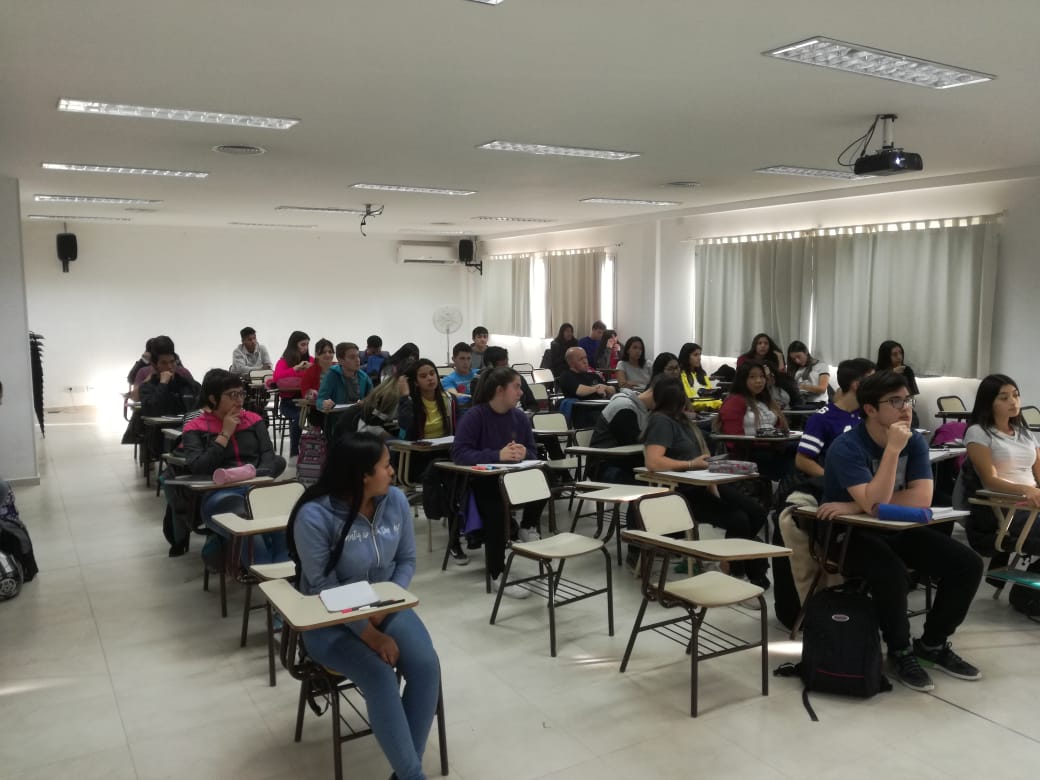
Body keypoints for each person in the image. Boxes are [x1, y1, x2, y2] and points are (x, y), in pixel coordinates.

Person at [289, 432, 440, 780]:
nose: (392, 472)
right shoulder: (314, 516)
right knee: (379, 676)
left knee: (426, 667)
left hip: (384, 608)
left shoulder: (396, 500)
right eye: (386, 466)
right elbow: (323, 585)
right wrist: (370, 635)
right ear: (362, 475)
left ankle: (405, 774)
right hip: (328, 620)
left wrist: (386, 606)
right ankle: (413, 776)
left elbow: (406, 560)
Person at [819, 371, 983, 692]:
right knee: (891, 571)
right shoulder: (847, 446)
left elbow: (920, 499)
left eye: (907, 399)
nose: (905, 408)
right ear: (869, 409)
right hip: (845, 534)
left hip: (892, 526)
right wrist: (892, 452)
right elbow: (878, 503)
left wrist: (860, 503)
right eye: (895, 402)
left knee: (967, 564)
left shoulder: (916, 441)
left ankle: (933, 644)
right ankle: (900, 650)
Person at [643, 378, 770, 589]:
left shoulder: (683, 421)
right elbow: (653, 462)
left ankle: (731, 564)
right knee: (739, 520)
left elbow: (701, 456)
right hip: (681, 492)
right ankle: (737, 571)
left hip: (705, 483)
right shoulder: (660, 421)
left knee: (756, 511)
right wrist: (691, 464)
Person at [452, 367, 545, 598]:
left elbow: (533, 452)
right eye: (517, 387)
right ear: (500, 390)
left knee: (547, 475)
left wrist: (525, 453)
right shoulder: (475, 416)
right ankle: (497, 573)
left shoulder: (520, 417)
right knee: (495, 511)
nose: (521, 393)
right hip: (483, 481)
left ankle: (527, 526)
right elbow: (459, 454)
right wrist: (497, 455)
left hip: (514, 478)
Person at [181, 370, 287, 566]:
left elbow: (268, 456)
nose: (239, 400)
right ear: (213, 398)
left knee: (284, 531)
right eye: (232, 395)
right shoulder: (195, 427)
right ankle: (265, 575)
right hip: (221, 496)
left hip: (258, 490)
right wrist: (225, 434)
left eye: (241, 394)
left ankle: (280, 579)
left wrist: (258, 482)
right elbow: (198, 467)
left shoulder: (254, 420)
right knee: (253, 539)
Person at [962, 374, 1040, 562]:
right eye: (1004, 398)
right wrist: (1026, 490)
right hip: (1009, 508)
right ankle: (1025, 592)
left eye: (1015, 395)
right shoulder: (978, 432)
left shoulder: (1025, 433)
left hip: (1034, 504)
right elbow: (990, 480)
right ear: (989, 403)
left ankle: (1025, 591)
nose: (1013, 402)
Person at [795, 358, 875, 481]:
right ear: (856, 385)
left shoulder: (871, 414)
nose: (878, 387)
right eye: (872, 380)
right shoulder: (822, 418)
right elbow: (802, 460)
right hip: (840, 486)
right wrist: (833, 479)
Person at [718, 360, 793, 481]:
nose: (759, 380)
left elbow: (779, 427)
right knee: (793, 459)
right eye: (752, 377)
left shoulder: (765, 400)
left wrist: (778, 439)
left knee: (803, 450)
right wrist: (767, 441)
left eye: (762, 376)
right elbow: (733, 439)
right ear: (743, 379)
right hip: (749, 453)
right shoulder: (735, 401)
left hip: (772, 448)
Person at [589, 384, 655, 483]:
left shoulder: (645, 409)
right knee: (661, 487)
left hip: (625, 463)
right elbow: (632, 444)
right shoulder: (624, 407)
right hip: (606, 466)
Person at [272, 330, 312, 457]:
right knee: (299, 416)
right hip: (288, 403)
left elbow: (324, 373)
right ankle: (295, 453)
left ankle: (318, 449)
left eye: (307, 344)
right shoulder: (283, 361)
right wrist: (295, 369)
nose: (306, 348)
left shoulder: (310, 360)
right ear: (294, 345)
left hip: (309, 402)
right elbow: (277, 377)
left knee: (322, 415)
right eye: (302, 344)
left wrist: (314, 368)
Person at [138, 335, 200, 418]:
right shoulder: (146, 388)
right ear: (154, 365)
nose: (170, 366)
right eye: (164, 363)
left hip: (185, 428)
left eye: (172, 361)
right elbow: (151, 411)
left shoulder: (189, 385)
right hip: (157, 429)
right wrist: (163, 384)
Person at [558, 346, 616, 428]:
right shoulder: (566, 375)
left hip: (604, 407)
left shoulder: (593, 375)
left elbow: (613, 390)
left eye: (585, 358)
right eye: (581, 359)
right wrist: (597, 388)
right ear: (571, 363)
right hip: (585, 411)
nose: (585, 361)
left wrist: (605, 387)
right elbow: (580, 391)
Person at [474, 346, 538, 411]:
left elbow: (533, 404)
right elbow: (479, 408)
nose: (506, 368)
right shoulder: (479, 382)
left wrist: (529, 411)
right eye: (502, 366)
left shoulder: (518, 379)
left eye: (507, 364)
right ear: (490, 365)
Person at [318, 342, 373, 408]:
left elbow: (372, 399)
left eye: (358, 356)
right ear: (340, 360)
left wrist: (365, 402)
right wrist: (324, 403)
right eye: (352, 357)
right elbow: (320, 400)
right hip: (337, 416)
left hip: (358, 415)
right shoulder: (332, 375)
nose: (357, 360)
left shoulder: (364, 377)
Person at [301, 338, 336, 428]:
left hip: (338, 407)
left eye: (330, 351)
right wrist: (313, 395)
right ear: (317, 354)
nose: (328, 355)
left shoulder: (338, 369)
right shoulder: (310, 371)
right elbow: (305, 392)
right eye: (324, 352)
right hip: (318, 409)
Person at [677, 342, 721, 412]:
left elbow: (711, 397)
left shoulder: (702, 374)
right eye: (695, 355)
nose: (699, 358)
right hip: (695, 412)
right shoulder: (681, 375)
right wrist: (713, 405)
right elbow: (691, 401)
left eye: (700, 355)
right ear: (686, 357)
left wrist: (718, 404)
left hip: (710, 410)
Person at [787, 341, 830, 406]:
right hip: (801, 403)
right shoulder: (797, 369)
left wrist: (803, 387)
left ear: (806, 352)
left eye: (798, 356)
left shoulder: (821, 366)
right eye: (794, 359)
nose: (797, 361)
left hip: (818, 403)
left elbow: (822, 389)